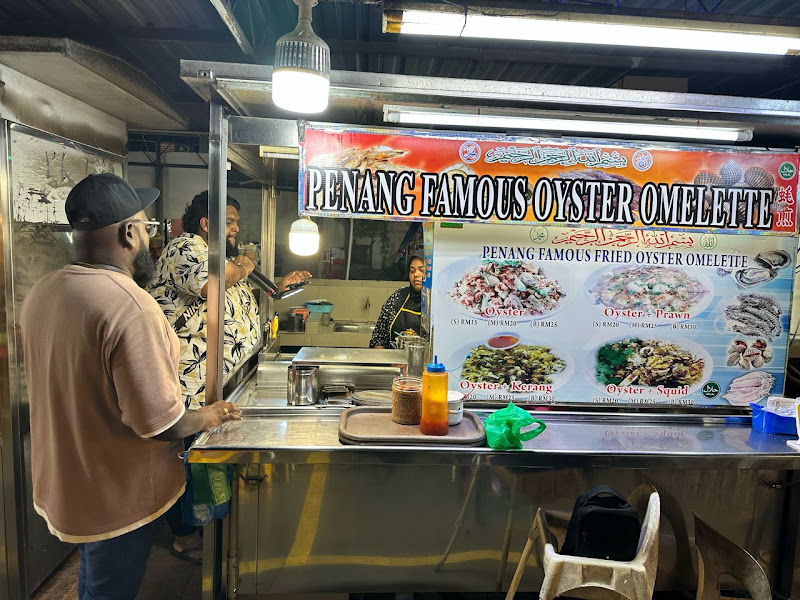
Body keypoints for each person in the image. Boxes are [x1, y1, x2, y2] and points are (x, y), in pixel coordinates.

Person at [20, 173, 242, 600]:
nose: (147, 237)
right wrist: (210, 415)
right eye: (145, 227)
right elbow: (160, 422)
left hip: (66, 483)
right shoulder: (129, 306)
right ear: (127, 233)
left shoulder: (44, 291)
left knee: (94, 576)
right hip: (114, 493)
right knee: (109, 589)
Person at [148, 191, 309, 561]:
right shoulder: (185, 247)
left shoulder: (221, 258)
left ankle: (210, 528)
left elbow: (239, 295)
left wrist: (278, 285)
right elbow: (210, 284)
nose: (236, 228)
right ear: (207, 223)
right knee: (186, 460)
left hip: (222, 382)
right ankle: (185, 535)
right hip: (188, 383)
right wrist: (246, 264)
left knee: (204, 463)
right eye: (230, 221)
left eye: (236, 221)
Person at [370, 255, 425, 349]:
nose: (416, 274)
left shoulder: (436, 303)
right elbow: (379, 338)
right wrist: (388, 362)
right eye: (412, 271)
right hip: (393, 361)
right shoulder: (397, 297)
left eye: (421, 270)